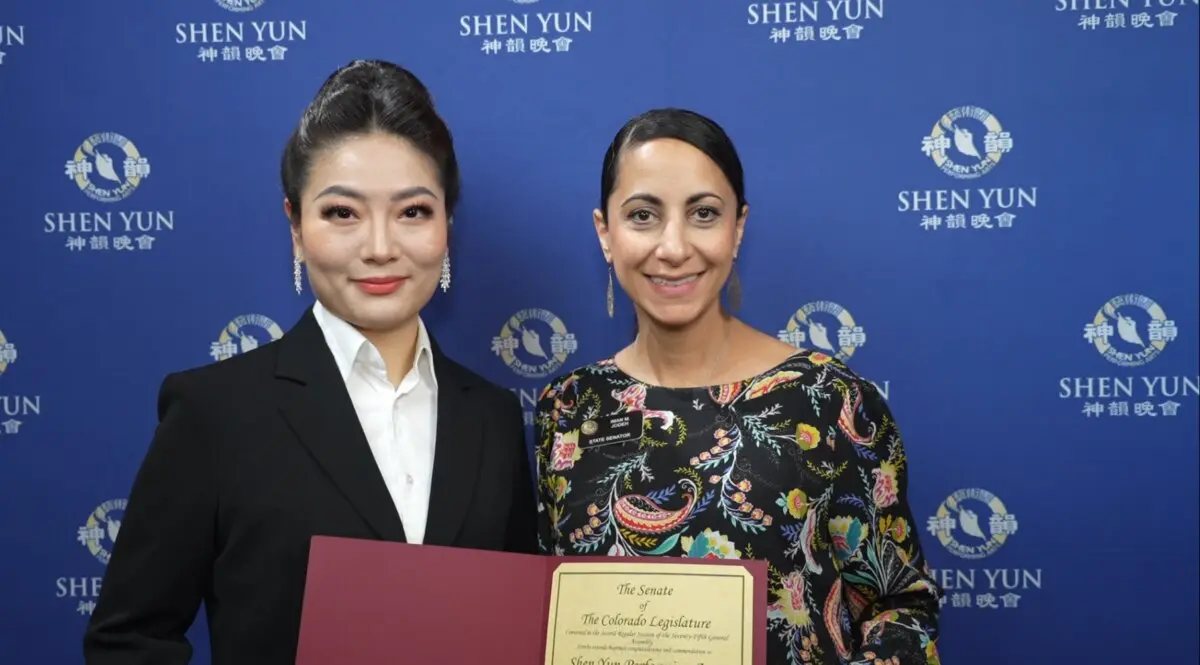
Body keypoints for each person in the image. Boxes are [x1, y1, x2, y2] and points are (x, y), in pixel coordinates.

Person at [83, 60, 538, 664]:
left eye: (413, 212)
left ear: (446, 226)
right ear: (296, 227)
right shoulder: (214, 413)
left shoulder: (493, 418)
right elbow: (127, 641)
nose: (380, 247)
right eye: (342, 213)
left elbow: (515, 627)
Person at [533, 108, 942, 664]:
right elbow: (542, 613)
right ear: (605, 233)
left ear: (738, 229)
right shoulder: (567, 407)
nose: (673, 247)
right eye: (643, 216)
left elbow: (901, 610)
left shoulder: (827, 398)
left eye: (703, 213)